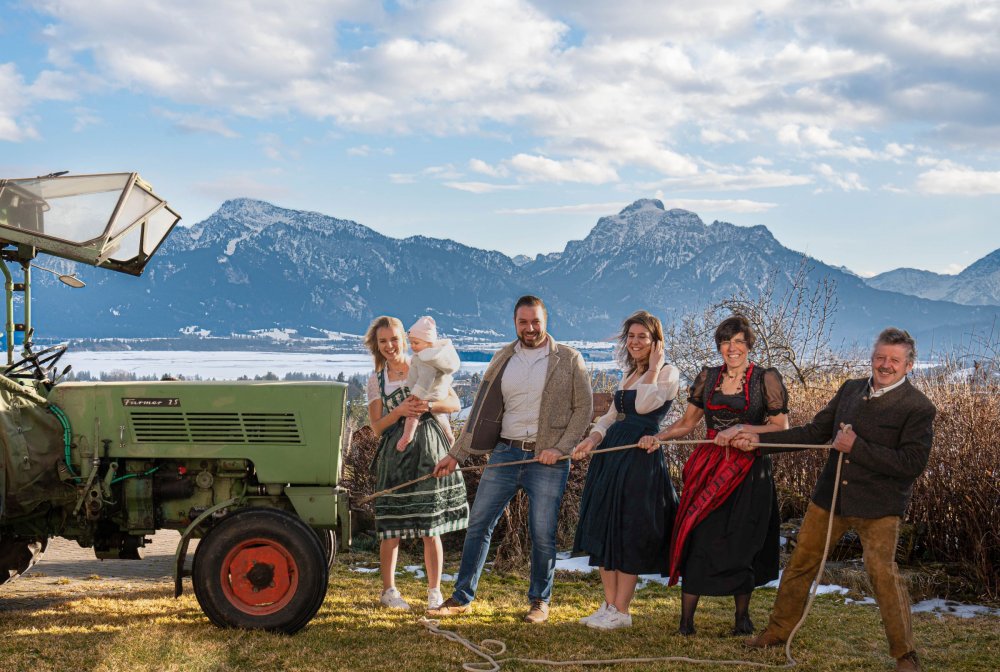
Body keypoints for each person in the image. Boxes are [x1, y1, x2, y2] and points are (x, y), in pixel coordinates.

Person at [735, 328, 935, 672]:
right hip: (830, 499)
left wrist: (856, 446)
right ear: (872, 358)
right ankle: (778, 632)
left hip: (879, 507)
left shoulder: (919, 408)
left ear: (909, 366)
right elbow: (815, 432)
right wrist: (758, 441)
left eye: (894, 360)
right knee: (800, 565)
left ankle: (905, 655)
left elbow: (910, 465)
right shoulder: (850, 390)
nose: (885, 365)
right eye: (880, 357)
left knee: (882, 574)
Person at [428, 295, 593, 623]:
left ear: (546, 321)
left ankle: (539, 602)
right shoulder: (503, 358)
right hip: (505, 453)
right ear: (514, 323)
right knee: (478, 524)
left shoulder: (569, 359)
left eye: (535, 322)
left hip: (548, 460)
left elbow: (583, 410)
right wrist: (455, 455)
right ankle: (461, 597)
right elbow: (479, 413)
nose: (530, 328)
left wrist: (560, 449)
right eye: (523, 322)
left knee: (542, 532)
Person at [638, 314, 789, 636]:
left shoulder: (767, 378)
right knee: (697, 534)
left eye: (738, 341)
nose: (732, 348)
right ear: (719, 345)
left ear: (749, 345)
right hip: (707, 467)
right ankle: (686, 622)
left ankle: (742, 619)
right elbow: (687, 424)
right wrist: (657, 438)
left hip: (749, 471)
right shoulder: (707, 377)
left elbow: (780, 427)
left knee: (742, 540)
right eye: (726, 341)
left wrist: (741, 428)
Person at [571, 310, 680, 630]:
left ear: (656, 342)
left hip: (639, 457)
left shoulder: (668, 373)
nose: (635, 342)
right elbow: (611, 417)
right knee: (605, 525)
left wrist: (656, 367)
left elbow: (645, 407)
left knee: (627, 529)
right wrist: (593, 438)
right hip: (611, 455)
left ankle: (622, 610)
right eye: (631, 336)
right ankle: (608, 606)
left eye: (642, 337)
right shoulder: (629, 374)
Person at [364, 315, 469, 611]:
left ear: (405, 340)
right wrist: (398, 411)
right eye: (382, 341)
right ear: (377, 344)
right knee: (391, 526)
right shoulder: (377, 379)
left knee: (430, 526)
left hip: (429, 451)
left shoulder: (424, 365)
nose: (389, 346)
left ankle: (434, 591)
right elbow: (376, 427)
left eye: (394, 339)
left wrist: (428, 405)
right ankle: (389, 590)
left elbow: (454, 403)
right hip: (395, 457)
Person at [397, 315, 459, 451]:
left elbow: (425, 379)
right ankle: (449, 437)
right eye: (411, 342)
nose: (412, 346)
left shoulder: (426, 359)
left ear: (428, 342)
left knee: (413, 413)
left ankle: (407, 436)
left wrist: (417, 395)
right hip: (437, 395)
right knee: (441, 417)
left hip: (426, 394)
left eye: (416, 343)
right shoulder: (432, 357)